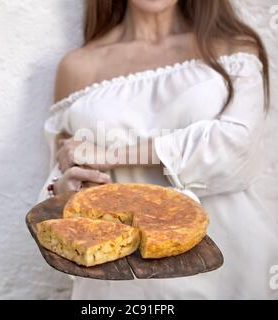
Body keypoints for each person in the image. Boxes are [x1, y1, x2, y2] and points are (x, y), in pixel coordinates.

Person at [38, 0, 278, 299]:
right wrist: (65, 188)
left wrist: (114, 156)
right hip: (119, 282)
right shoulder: (78, 67)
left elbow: (236, 149)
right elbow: (62, 172)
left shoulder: (232, 46)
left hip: (231, 264)